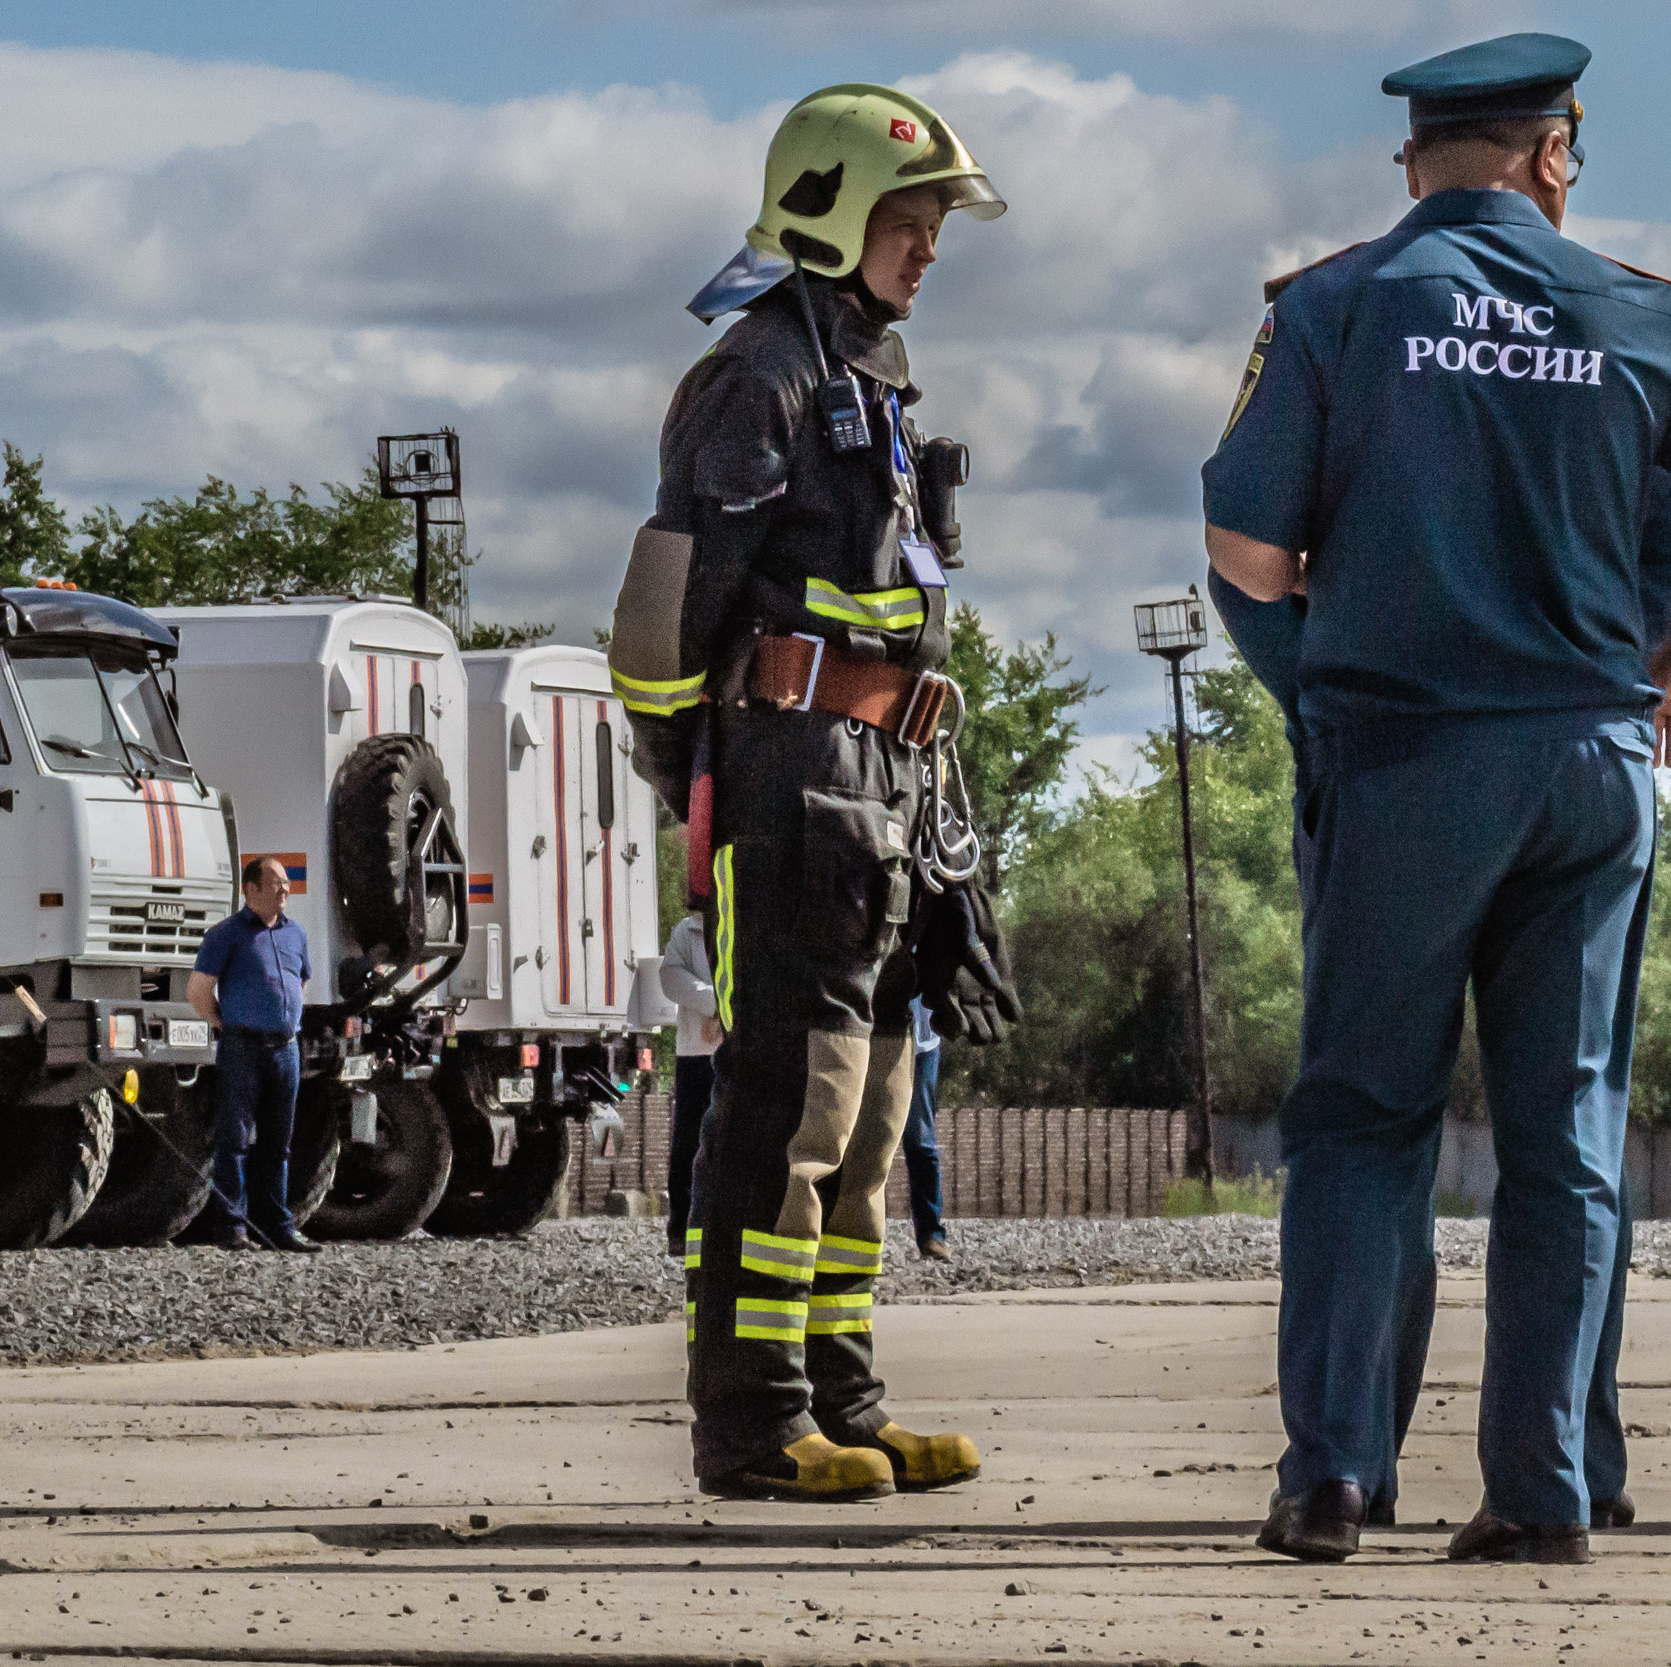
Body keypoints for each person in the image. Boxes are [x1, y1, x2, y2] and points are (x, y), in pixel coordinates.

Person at [1203, 31, 1671, 1564]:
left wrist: (1324, 684)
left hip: (1407, 762)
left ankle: (1337, 1473)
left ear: (1412, 162)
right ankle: (1544, 1487)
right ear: (1555, 153)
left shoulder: (1337, 308)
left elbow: (1245, 557)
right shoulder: (1638, 313)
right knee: (1565, 1130)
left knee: (1364, 1122)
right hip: (1590, 772)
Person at [610, 82, 1018, 1504]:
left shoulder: (871, 374)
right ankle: (752, 1420)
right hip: (793, 772)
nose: (928, 245)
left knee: (868, 1098)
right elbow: (668, 619)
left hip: (886, 774)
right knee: (788, 1092)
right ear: (830, 212)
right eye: (911, 219)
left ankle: (842, 1394)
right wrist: (696, 781)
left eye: (933, 223)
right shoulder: (759, 375)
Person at [187, 856, 321, 1254]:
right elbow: (197, 992)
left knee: (278, 1143)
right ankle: (232, 1229)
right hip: (242, 1048)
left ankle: (279, 1227)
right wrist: (227, 1025)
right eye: (277, 883)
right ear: (252, 889)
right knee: (235, 1140)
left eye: (287, 883)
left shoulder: (295, 934)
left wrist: (287, 1020)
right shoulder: (226, 935)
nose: (285, 890)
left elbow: (303, 982)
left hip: (286, 1050)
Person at [658, 911, 720, 1258]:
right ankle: (681, 1226)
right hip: (695, 1052)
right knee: (688, 1141)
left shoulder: (750, 918)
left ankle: (721, 1223)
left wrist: (723, 1016)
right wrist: (715, 1004)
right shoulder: (687, 929)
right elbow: (670, 978)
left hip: (734, 1047)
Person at [902, 992, 950, 1260]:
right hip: (876, 1037)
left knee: (920, 1140)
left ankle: (931, 1235)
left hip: (923, 1043)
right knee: (863, 1140)